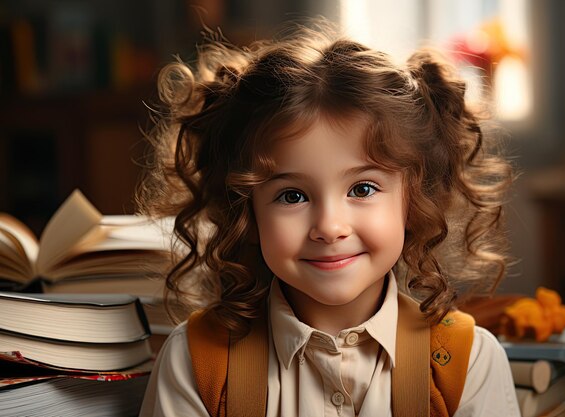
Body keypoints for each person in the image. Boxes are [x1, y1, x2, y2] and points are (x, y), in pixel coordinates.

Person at [137, 22, 520, 417]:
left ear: (415, 199)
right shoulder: (197, 362)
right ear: (246, 212)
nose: (330, 227)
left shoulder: (466, 362)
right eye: (292, 196)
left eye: (363, 189)